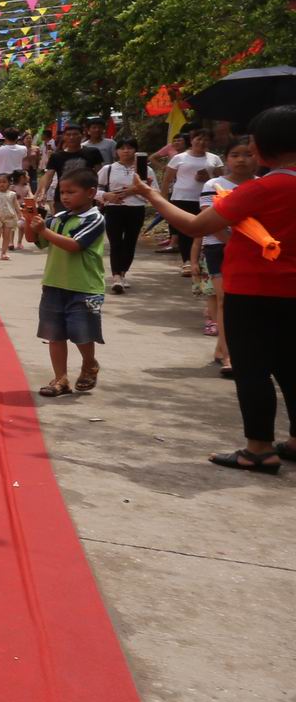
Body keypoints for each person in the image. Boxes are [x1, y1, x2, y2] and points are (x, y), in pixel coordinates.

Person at [132, 105, 296, 472]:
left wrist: (152, 196)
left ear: (261, 149)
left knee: (252, 368)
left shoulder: (260, 189)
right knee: (290, 365)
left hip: (253, 291)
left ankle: (259, 448)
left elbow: (196, 225)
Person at [34, 168, 106, 398]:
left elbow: (75, 245)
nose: (65, 197)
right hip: (54, 283)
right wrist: (30, 222)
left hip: (84, 287)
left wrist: (43, 229)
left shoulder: (95, 219)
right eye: (62, 192)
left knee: (83, 333)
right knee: (54, 334)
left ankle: (89, 363)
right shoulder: (58, 218)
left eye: (71, 192)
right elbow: (33, 239)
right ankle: (60, 379)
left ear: (90, 192)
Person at [196, 138, 258, 374]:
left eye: (247, 154)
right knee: (225, 300)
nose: (241, 159)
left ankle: (223, 347)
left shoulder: (263, 184)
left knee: (248, 302)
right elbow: (208, 220)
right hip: (219, 247)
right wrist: (232, 241)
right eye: (235, 154)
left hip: (256, 251)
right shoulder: (214, 184)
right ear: (227, 159)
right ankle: (230, 355)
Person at [161, 129, 223, 279]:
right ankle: (187, 261)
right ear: (192, 140)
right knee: (185, 231)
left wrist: (207, 177)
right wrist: (163, 200)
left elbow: (221, 179)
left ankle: (201, 260)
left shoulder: (214, 159)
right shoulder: (179, 158)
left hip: (206, 199)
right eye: (198, 139)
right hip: (182, 197)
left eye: (205, 140)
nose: (201, 142)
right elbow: (167, 179)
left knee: (205, 230)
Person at [96, 141, 151, 293]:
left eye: (130, 148)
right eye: (122, 148)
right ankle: (116, 277)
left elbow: (154, 192)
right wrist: (106, 195)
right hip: (114, 209)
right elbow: (94, 189)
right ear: (116, 151)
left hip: (136, 208)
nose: (126, 151)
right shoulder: (108, 169)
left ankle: (123, 272)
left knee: (130, 242)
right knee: (115, 242)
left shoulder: (145, 170)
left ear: (136, 151)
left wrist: (135, 190)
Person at [44, 126, 105, 206]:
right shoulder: (56, 156)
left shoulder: (92, 152)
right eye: (68, 135)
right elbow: (48, 176)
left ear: (82, 135)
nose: (72, 137)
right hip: (63, 199)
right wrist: (42, 192)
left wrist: (99, 195)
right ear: (64, 137)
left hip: (86, 198)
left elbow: (100, 176)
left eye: (75, 134)